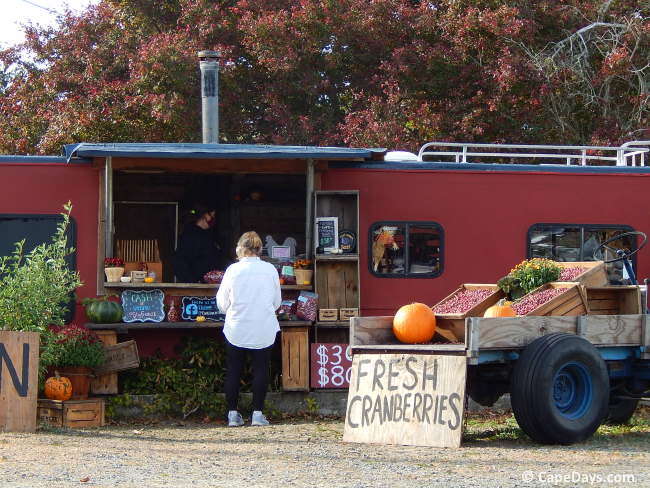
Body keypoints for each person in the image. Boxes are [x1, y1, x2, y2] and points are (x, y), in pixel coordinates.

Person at [216, 231, 281, 427]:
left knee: (234, 370)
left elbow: (222, 302)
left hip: (237, 326)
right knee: (261, 369)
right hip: (263, 326)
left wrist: (232, 311)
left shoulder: (232, 270)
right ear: (260, 249)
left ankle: (232, 415)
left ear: (240, 248)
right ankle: (257, 415)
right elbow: (276, 302)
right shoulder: (270, 270)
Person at [173, 203, 221, 283]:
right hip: (195, 285)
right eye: (211, 215)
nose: (213, 218)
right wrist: (192, 281)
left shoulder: (211, 235)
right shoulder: (189, 234)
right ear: (204, 215)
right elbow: (181, 261)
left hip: (210, 284)